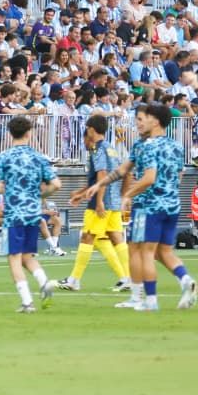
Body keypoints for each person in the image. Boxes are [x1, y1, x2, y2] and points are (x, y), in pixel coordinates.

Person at [80, 103, 198, 312]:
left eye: (143, 119)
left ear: (156, 121)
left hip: (149, 205)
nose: (138, 123)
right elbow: (177, 174)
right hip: (172, 204)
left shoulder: (147, 146)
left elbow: (148, 178)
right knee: (164, 251)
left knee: (140, 251)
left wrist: (127, 195)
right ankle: (185, 279)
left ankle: (145, 300)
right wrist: (100, 184)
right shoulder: (176, 146)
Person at [0, 115, 62, 313]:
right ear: (30, 133)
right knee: (27, 257)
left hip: (14, 215)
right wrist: (38, 193)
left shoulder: (4, 156)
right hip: (34, 214)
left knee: (14, 257)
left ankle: (27, 301)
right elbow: (56, 184)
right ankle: (44, 282)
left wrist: (11, 189)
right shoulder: (39, 157)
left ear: (10, 134)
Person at [60, 114, 132, 292]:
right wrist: (82, 193)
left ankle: (74, 279)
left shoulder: (98, 149)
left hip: (102, 200)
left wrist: (98, 200)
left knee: (88, 237)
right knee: (115, 237)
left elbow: (101, 175)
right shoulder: (111, 149)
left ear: (91, 130)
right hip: (113, 201)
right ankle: (128, 277)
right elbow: (124, 173)